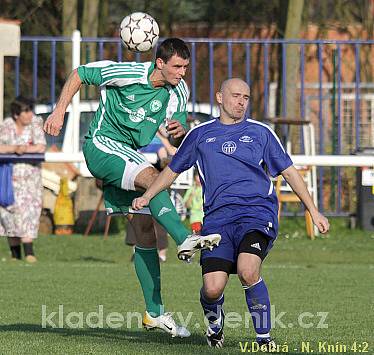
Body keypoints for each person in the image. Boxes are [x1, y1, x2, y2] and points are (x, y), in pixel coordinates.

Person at [132, 78, 330, 349]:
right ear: (220, 98)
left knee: (248, 270)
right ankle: (215, 326)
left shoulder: (261, 133)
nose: (241, 102)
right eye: (236, 96)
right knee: (212, 289)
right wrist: (147, 195)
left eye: (246, 97)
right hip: (217, 221)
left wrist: (314, 210)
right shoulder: (200, 135)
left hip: (256, 214)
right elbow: (172, 171)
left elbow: (289, 171)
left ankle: (264, 339)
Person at [43, 38, 220, 337]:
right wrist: (59, 110)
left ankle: (155, 313)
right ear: (160, 63)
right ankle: (184, 238)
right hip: (102, 145)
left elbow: (176, 137)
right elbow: (80, 73)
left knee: (145, 232)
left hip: (128, 155)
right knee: (153, 177)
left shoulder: (179, 91)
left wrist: (180, 132)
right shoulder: (125, 73)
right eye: (177, 66)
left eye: (186, 67)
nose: (182, 72)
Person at [0, 96, 46, 263]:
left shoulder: (35, 123)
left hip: (29, 180)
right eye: (25, 111)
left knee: (27, 213)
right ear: (16, 114)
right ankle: (15, 255)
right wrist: (14, 149)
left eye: (30, 110)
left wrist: (23, 149)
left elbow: (40, 146)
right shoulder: (6, 126)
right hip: (8, 179)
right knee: (7, 214)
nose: (29, 114)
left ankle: (29, 254)